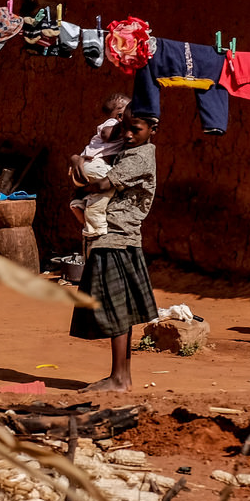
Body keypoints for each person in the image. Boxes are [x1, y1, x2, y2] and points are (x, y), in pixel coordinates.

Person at [67, 111, 159, 392]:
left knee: (116, 308)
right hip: (117, 237)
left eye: (136, 130)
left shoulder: (140, 156)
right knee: (121, 309)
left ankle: (119, 378)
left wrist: (76, 167)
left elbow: (104, 183)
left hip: (116, 238)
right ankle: (121, 376)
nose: (129, 135)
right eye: (125, 130)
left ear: (152, 129)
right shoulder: (128, 151)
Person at [68, 93, 131, 241]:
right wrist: (121, 124)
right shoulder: (112, 123)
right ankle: (95, 228)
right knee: (111, 184)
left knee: (102, 189)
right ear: (120, 113)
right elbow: (106, 134)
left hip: (87, 168)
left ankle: (80, 203)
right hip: (93, 165)